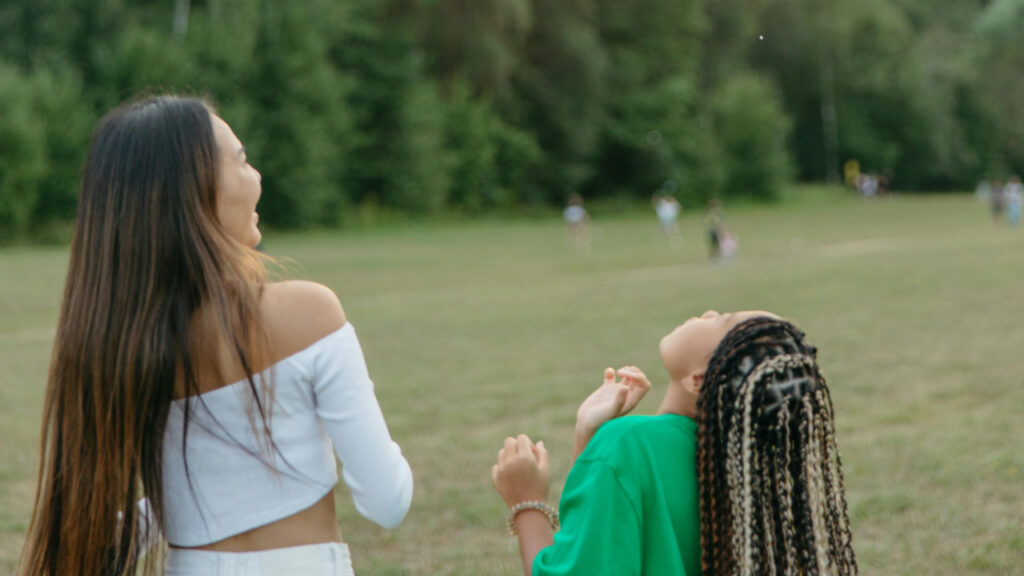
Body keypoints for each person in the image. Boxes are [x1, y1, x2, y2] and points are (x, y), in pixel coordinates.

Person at [19, 96, 413, 576]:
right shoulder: (309, 312)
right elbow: (387, 502)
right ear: (195, 190)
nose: (257, 177)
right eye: (242, 160)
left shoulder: (124, 342)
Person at [491, 312, 857, 576]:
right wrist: (588, 437)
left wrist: (526, 502)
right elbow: (601, 536)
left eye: (722, 320)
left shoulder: (626, 447)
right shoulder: (752, 469)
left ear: (699, 380)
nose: (710, 312)